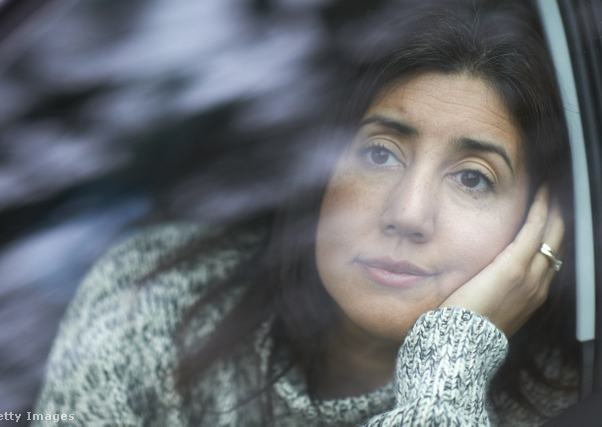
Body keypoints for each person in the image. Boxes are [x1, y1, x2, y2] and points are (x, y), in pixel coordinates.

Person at [34, 0, 579, 425]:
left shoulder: (566, 407)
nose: (408, 214)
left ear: (540, 223)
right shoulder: (155, 295)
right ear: (317, 170)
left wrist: (450, 369)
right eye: (380, 153)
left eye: (473, 178)